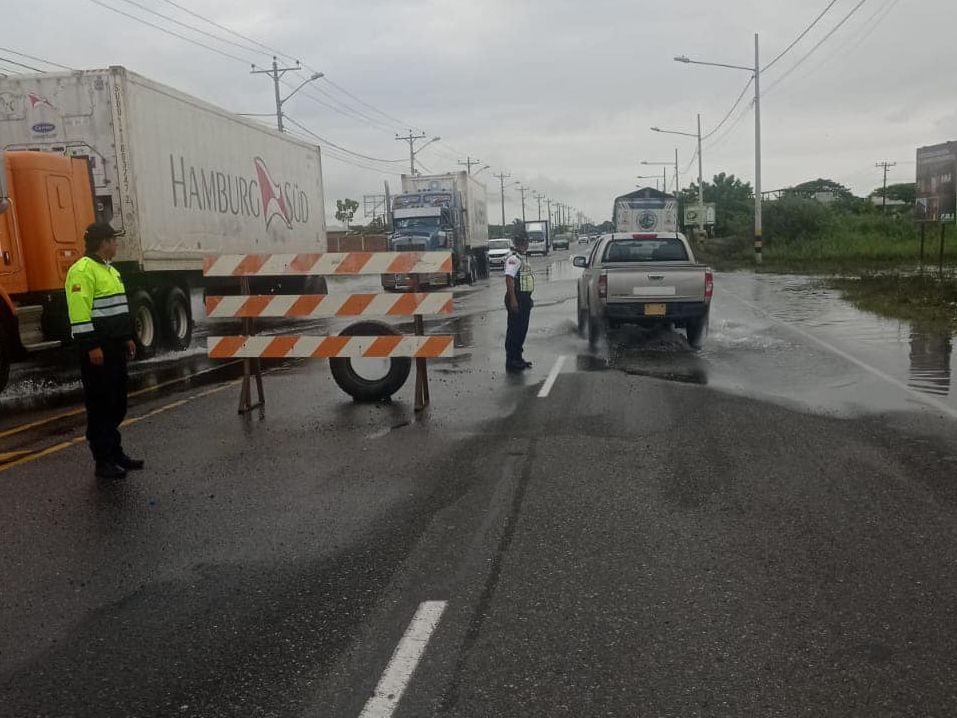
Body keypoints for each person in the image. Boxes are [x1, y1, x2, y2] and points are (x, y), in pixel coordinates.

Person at [65, 222, 144, 479]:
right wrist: (92, 346)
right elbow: (79, 313)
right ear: (104, 242)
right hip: (98, 350)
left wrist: (128, 338)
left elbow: (118, 310)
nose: (116, 245)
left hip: (115, 347)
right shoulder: (82, 271)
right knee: (100, 405)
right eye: (114, 240)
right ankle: (103, 461)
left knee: (117, 402)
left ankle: (115, 451)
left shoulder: (110, 271)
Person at [503, 230, 535, 372]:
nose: (526, 244)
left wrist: (529, 298)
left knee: (522, 330)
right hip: (516, 297)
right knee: (515, 330)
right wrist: (513, 300)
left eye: (526, 242)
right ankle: (512, 360)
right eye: (523, 242)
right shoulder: (514, 259)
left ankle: (518, 357)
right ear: (518, 244)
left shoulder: (522, 258)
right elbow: (509, 279)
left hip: (524, 297)